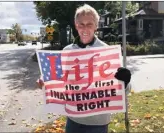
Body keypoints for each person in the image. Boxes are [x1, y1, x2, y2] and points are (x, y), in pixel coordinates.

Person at [37, 4, 131, 133]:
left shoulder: (107, 51)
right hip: (73, 120)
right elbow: (59, 82)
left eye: (89, 24)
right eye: (81, 24)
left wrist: (125, 82)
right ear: (76, 26)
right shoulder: (66, 51)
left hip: (98, 122)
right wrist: (45, 84)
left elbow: (123, 90)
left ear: (96, 26)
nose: (85, 28)